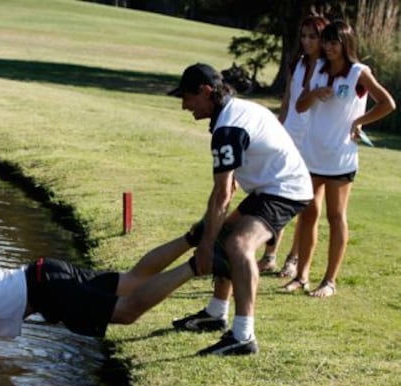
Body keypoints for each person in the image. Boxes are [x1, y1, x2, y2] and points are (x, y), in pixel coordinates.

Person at [168, 63, 313, 355]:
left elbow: (223, 193)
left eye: (187, 97)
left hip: (285, 190)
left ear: (206, 92)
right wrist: (211, 232)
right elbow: (226, 187)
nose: (184, 105)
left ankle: (243, 336)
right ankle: (215, 313)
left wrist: (206, 246)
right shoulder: (235, 110)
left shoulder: (227, 128)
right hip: (268, 188)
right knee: (224, 235)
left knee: (237, 243)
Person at [0, 233, 205, 354]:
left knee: (127, 312)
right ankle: (193, 236)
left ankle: (197, 266)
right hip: (42, 272)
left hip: (44, 289)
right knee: (131, 279)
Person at [284, 20, 396, 297]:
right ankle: (301, 276)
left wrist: (359, 120)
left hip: (340, 158)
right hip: (312, 154)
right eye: (327, 42)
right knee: (308, 214)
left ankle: (329, 281)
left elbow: (387, 104)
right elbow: (299, 106)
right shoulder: (319, 68)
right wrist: (313, 93)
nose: (329, 47)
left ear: (346, 44)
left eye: (334, 42)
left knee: (336, 217)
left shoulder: (358, 72)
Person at [260, 15, 330, 279]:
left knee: (309, 202)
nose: (307, 41)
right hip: (289, 135)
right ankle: (269, 255)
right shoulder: (298, 63)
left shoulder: (329, 68)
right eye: (304, 36)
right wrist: (278, 127)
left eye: (313, 36)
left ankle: (294, 258)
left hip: (314, 141)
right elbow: (288, 99)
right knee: (277, 194)